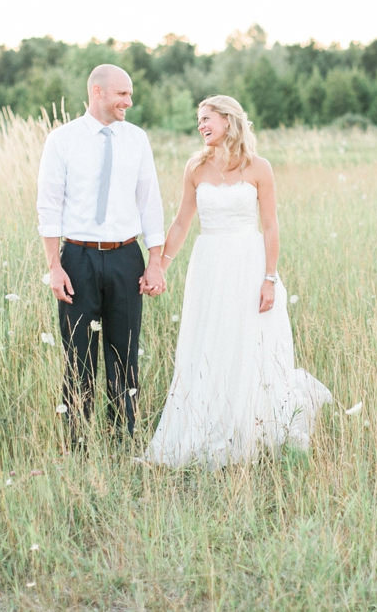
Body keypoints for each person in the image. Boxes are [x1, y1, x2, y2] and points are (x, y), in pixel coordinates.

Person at [142, 95, 332, 468]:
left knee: (250, 342)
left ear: (228, 121)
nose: (200, 125)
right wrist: (160, 265)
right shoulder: (195, 167)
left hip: (249, 264)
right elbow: (182, 222)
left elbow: (271, 225)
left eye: (206, 118)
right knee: (210, 341)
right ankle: (206, 422)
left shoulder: (259, 167)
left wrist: (270, 279)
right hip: (210, 265)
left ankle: (252, 426)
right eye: (198, 120)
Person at [36, 64, 165, 443]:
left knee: (124, 353)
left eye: (129, 93)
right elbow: (49, 205)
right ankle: (75, 440)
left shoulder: (137, 139)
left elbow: (150, 202)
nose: (129, 100)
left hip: (127, 258)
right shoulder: (62, 140)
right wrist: (54, 267)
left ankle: (121, 438)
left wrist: (155, 262)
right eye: (122, 93)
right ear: (97, 91)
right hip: (78, 259)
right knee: (78, 356)